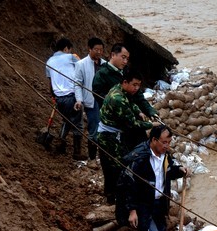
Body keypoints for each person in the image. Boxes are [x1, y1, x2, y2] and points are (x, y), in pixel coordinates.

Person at [117, 125, 187, 231]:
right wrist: (132, 210)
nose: (166, 146)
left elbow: (170, 171)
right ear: (154, 140)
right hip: (143, 206)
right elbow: (128, 185)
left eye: (169, 142)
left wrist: (180, 170)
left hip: (159, 205)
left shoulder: (166, 157)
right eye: (164, 142)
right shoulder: (139, 158)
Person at [97, 68, 152, 207]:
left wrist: (139, 111)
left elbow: (131, 103)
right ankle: (115, 199)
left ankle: (114, 196)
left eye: (139, 85)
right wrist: (150, 124)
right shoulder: (117, 98)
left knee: (116, 165)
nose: (136, 88)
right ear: (125, 82)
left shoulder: (120, 89)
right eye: (134, 85)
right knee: (116, 166)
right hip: (108, 137)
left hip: (113, 134)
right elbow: (132, 124)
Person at [92, 43, 158, 146]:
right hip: (118, 124)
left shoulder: (126, 71)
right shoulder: (102, 74)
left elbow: (138, 96)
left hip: (134, 119)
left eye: (127, 58)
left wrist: (150, 111)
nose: (125, 61)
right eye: (123, 58)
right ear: (113, 55)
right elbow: (98, 95)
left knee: (141, 149)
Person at [45, 37, 83, 157]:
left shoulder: (49, 61)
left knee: (67, 120)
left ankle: (61, 143)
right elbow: (83, 68)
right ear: (66, 48)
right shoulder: (71, 57)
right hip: (72, 96)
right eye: (69, 49)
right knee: (78, 124)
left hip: (59, 98)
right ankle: (77, 152)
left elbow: (50, 83)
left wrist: (54, 97)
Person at [73, 37, 105, 165]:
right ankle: (92, 158)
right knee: (93, 130)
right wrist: (79, 100)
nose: (99, 52)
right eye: (96, 49)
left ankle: (101, 155)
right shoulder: (81, 64)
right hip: (91, 101)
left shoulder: (105, 64)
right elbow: (77, 84)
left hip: (103, 101)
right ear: (89, 49)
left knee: (103, 128)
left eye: (101, 50)